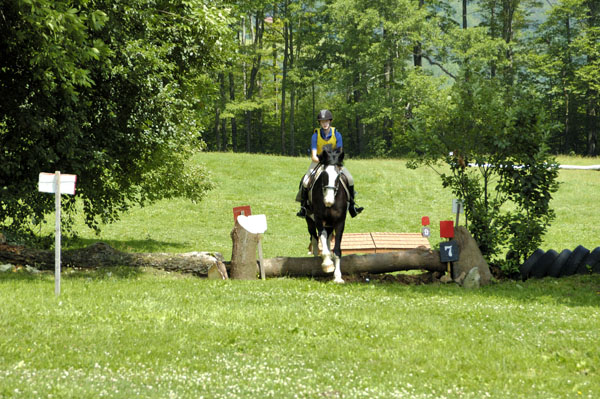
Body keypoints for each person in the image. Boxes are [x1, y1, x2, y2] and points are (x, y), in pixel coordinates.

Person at [295, 109, 364, 218]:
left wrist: (332, 162)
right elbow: (313, 156)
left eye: (326, 121)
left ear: (330, 121)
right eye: (322, 122)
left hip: (334, 163)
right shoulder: (315, 136)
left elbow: (340, 152)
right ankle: (303, 207)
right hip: (318, 162)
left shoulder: (337, 134)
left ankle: (352, 206)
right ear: (320, 123)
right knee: (305, 181)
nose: (325, 123)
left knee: (350, 178)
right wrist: (323, 161)